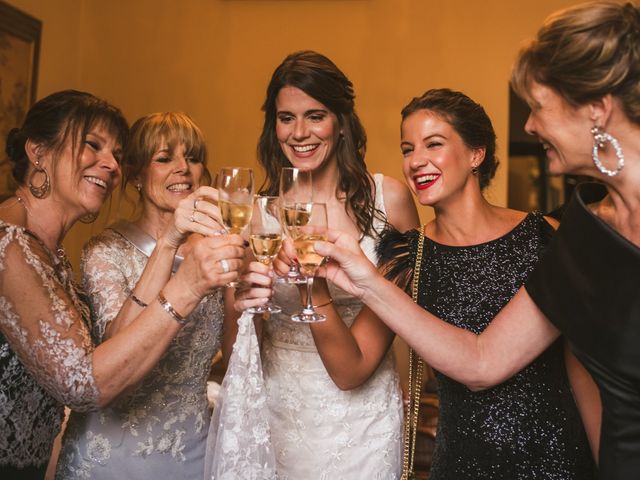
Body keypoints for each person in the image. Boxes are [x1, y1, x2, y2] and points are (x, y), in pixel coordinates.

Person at [313, 2, 640, 479]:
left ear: (597, 110)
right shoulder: (584, 232)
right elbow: (483, 361)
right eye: (407, 149)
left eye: (539, 105)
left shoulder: (545, 235)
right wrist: (347, 283)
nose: (527, 125)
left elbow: (580, 376)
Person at [0, 92, 244, 479]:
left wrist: (173, 246)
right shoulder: (9, 245)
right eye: (93, 146)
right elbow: (84, 385)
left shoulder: (48, 250)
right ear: (38, 152)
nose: (110, 164)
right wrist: (187, 285)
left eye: (115, 153)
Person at [224, 50, 420, 479]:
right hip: (275, 415)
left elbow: (359, 365)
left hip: (360, 424)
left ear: (342, 121)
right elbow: (238, 346)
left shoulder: (392, 203)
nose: (299, 133)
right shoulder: (256, 215)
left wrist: (306, 277)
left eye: (315, 116)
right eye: (285, 118)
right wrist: (239, 296)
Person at [391, 88, 595, 478]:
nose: (416, 161)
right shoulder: (407, 256)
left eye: (433, 144)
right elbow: (354, 367)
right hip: (461, 464)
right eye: (407, 149)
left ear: (476, 154)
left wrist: (609, 464)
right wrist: (314, 288)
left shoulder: (545, 236)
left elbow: (580, 366)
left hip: (556, 461)